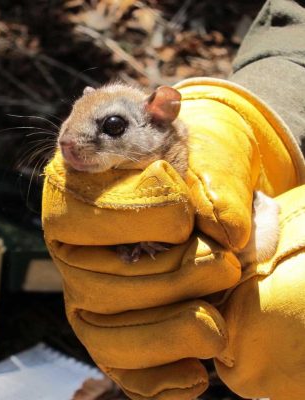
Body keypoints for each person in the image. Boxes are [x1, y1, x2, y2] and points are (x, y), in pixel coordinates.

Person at [42, 1, 305, 399]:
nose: (71, 146)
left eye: (112, 127)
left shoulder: (178, 163)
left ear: (159, 117)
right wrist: (256, 113)